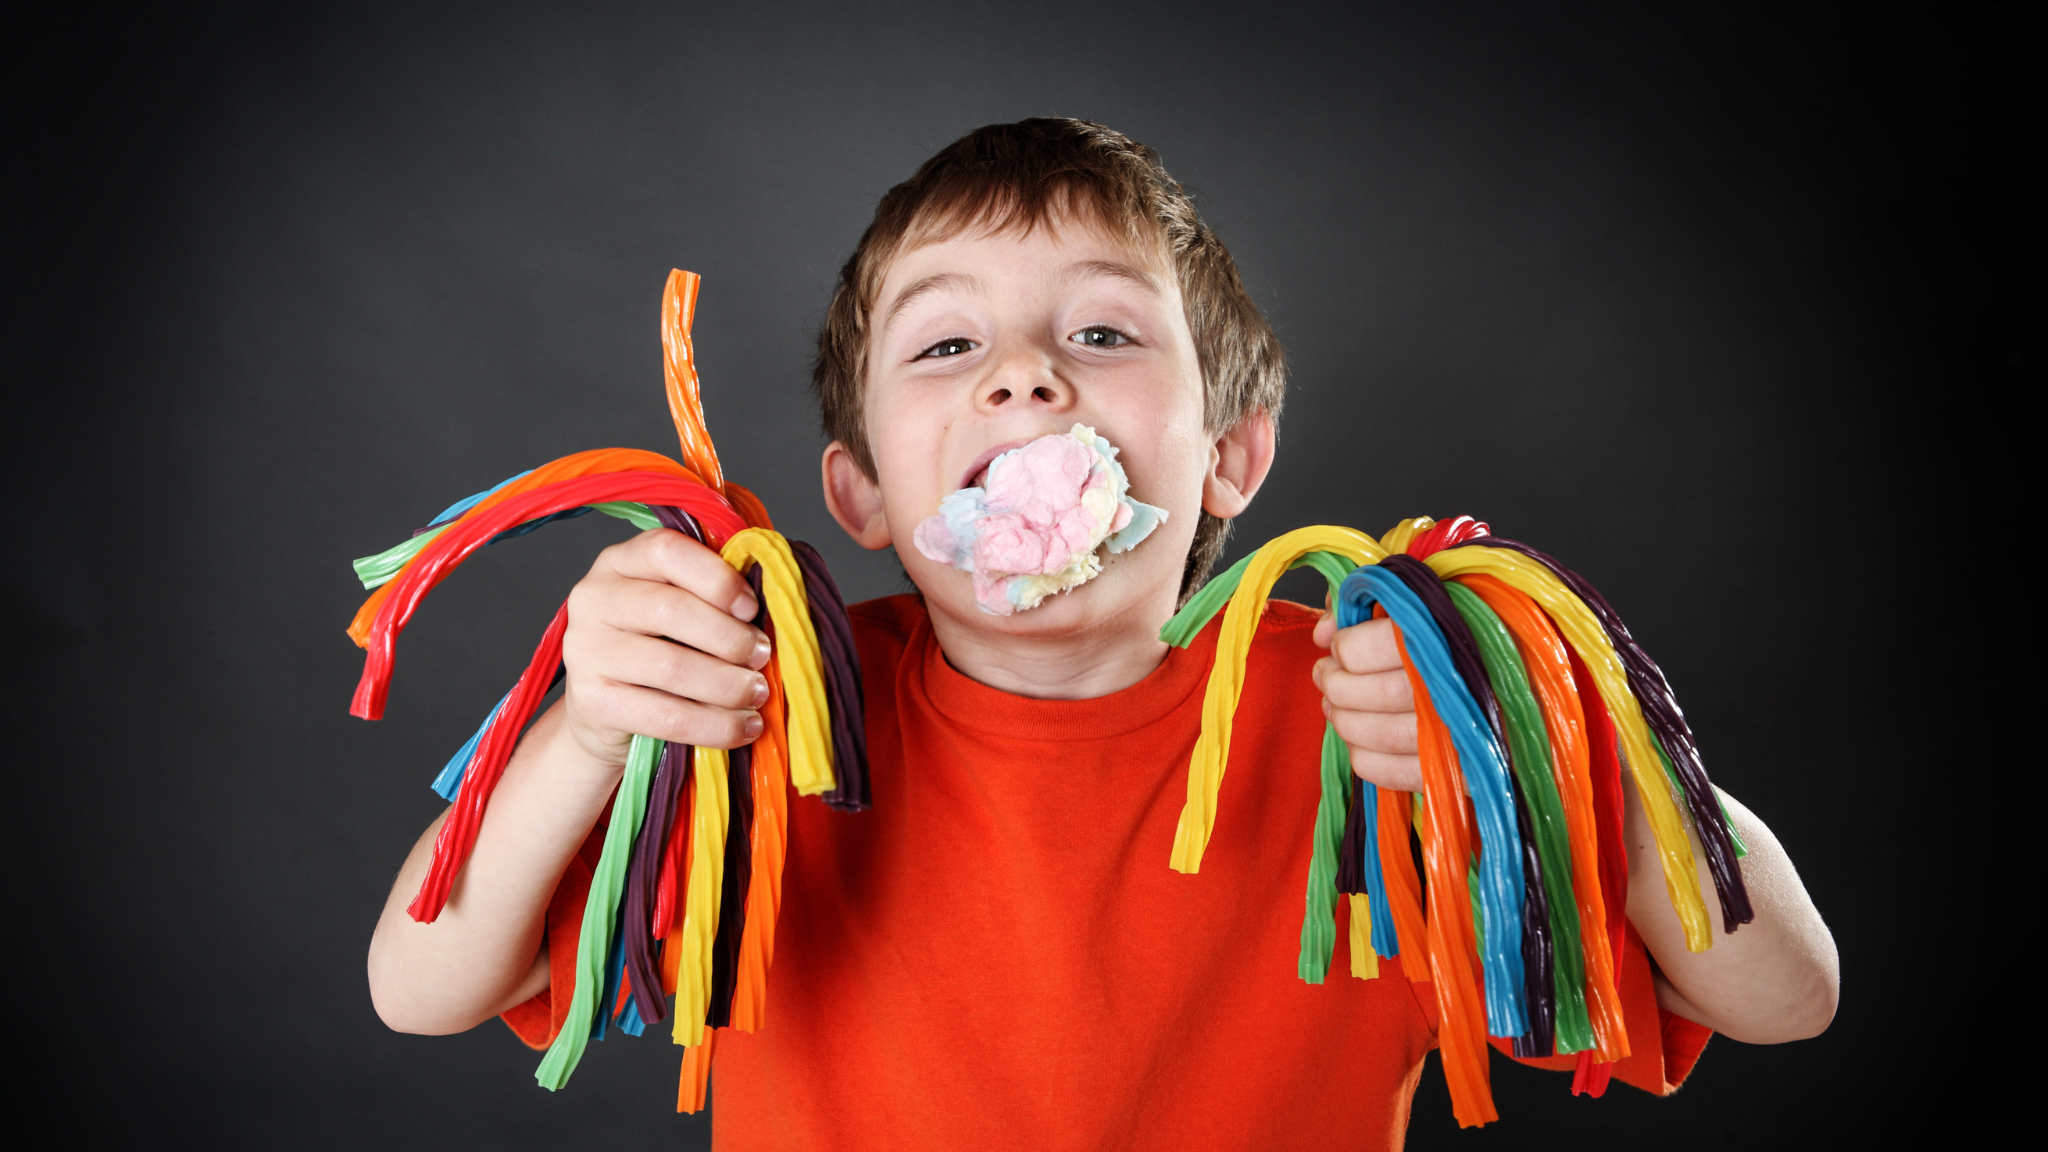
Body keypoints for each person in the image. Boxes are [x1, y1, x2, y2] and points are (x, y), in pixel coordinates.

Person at [367, 118, 1837, 1150]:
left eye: (1103, 334)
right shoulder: (762, 708)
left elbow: (1786, 998)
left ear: (1230, 463)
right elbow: (417, 987)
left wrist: (1536, 738)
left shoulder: (1376, 725)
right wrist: (594, 727)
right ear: (861, 492)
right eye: (949, 346)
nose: (1022, 381)